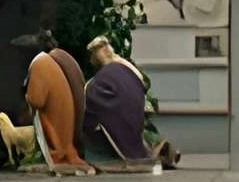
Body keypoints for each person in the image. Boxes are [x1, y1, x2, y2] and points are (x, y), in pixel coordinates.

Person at [24, 35, 92, 174]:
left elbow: (37, 100)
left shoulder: (39, 64)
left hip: (55, 125)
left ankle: (55, 153)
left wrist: (27, 96)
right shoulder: (50, 61)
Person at [82, 36, 152, 166]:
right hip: (137, 119)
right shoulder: (126, 67)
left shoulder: (102, 79)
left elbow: (92, 102)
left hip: (122, 121)